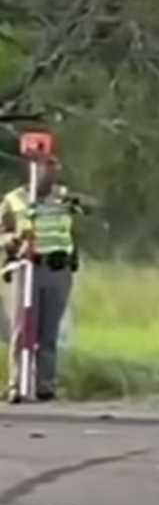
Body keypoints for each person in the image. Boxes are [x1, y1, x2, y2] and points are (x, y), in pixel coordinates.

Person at [1, 154, 90, 403]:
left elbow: (85, 214)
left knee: (48, 332)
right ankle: (17, 385)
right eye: (44, 166)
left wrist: (76, 204)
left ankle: (45, 385)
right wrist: (13, 241)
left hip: (57, 269)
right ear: (32, 169)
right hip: (26, 267)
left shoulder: (63, 198)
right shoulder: (15, 199)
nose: (50, 172)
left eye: (53, 166)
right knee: (22, 328)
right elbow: (2, 232)